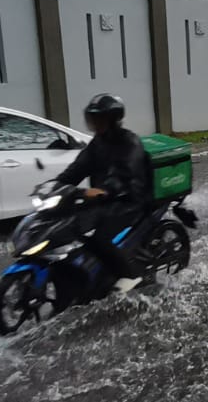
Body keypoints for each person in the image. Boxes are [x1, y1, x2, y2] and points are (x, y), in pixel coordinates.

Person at [56, 94, 154, 293]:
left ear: (113, 119)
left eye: (99, 119)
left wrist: (107, 189)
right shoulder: (97, 143)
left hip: (130, 200)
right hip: (104, 199)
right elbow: (78, 167)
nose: (95, 123)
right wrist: (56, 184)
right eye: (93, 119)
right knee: (70, 225)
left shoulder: (130, 142)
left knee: (99, 236)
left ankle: (129, 275)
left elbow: (124, 173)